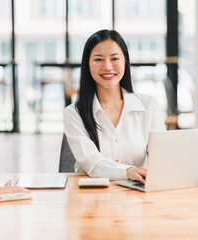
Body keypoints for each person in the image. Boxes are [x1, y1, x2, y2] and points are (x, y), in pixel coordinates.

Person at [63, 30, 165, 184]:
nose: (108, 66)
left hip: (138, 197)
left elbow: (160, 157)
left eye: (115, 58)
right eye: (98, 59)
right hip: (90, 198)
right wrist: (128, 172)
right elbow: (92, 163)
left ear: (125, 61)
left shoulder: (149, 106)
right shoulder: (73, 113)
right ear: (87, 65)